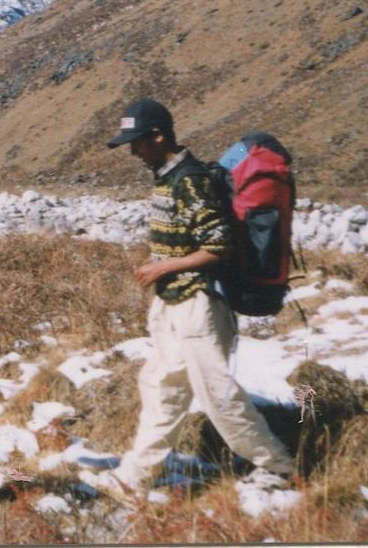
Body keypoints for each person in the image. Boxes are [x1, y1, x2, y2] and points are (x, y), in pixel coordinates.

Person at [85, 98, 295, 504]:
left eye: (138, 142)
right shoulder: (167, 177)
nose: (133, 150)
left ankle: (278, 466)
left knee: (216, 392)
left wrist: (162, 268)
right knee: (162, 386)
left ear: (159, 136)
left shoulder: (190, 180)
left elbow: (219, 246)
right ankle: (135, 477)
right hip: (173, 302)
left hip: (199, 303)